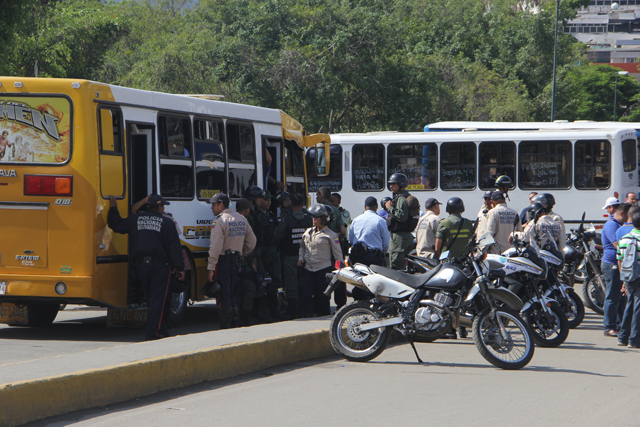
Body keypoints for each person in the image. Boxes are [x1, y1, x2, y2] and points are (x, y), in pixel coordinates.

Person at [107, 194, 184, 340]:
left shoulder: (136, 219)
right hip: (161, 266)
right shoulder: (166, 222)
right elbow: (174, 247)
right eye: (163, 206)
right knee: (158, 299)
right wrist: (179, 268)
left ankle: (161, 329)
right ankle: (153, 333)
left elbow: (117, 225)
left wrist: (113, 208)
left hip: (142, 266)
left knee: (151, 298)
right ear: (160, 207)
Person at [208, 193, 256, 329]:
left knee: (224, 294)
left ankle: (226, 325)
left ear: (221, 205)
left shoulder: (220, 221)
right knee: (233, 292)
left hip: (223, 261)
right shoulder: (241, 219)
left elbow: (215, 246)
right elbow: (252, 241)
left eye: (213, 204)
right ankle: (234, 322)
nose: (211, 208)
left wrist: (211, 267)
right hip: (236, 261)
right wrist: (241, 252)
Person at [434, 197, 474, 339]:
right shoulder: (469, 224)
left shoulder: (444, 223)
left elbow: (437, 248)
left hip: (449, 265)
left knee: (448, 297)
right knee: (462, 297)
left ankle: (450, 330)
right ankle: (462, 328)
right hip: (465, 265)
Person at [298, 204, 343, 317]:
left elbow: (338, 255)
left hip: (323, 269)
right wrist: (300, 257)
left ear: (324, 219)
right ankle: (307, 316)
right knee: (306, 294)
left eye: (317, 217)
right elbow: (302, 247)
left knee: (322, 297)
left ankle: (323, 316)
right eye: (313, 217)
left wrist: (339, 270)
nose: (314, 220)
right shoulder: (308, 232)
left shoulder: (331, 235)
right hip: (308, 269)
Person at [274, 193, 312, 318]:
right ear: (303, 205)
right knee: (305, 283)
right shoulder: (310, 219)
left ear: (291, 204)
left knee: (291, 285)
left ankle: (292, 311)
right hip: (307, 257)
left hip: (290, 257)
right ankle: (305, 309)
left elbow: (277, 236)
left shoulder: (287, 220)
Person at [251, 189, 287, 320]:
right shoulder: (254, 215)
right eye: (266, 200)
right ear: (258, 200)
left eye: (270, 200)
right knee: (262, 283)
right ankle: (258, 312)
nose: (268, 202)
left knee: (274, 283)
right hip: (261, 253)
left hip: (273, 252)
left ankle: (274, 311)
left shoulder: (271, 214)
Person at [348, 196, 391, 300]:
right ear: (376, 207)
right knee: (373, 283)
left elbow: (351, 240)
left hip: (357, 256)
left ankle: (359, 302)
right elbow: (386, 242)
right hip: (374, 257)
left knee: (359, 281)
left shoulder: (356, 220)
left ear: (365, 207)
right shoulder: (380, 221)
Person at [601, 199, 629, 337]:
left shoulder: (619, 224)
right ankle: (609, 327)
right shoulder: (612, 225)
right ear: (622, 213)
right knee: (612, 297)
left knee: (621, 297)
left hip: (619, 264)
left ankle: (619, 325)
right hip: (612, 264)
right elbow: (617, 245)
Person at [616, 211, 640, 348]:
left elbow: (619, 260)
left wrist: (623, 280)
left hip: (628, 276)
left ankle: (623, 337)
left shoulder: (623, 239)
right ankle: (634, 339)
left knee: (629, 305)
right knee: (637, 308)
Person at [235, 198, 260, 326]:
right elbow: (249, 243)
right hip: (244, 261)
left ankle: (238, 317)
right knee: (249, 289)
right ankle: (245, 317)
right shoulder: (245, 221)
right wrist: (252, 262)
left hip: (235, 261)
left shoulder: (232, 220)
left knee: (239, 290)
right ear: (246, 210)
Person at [385, 173, 416, 270]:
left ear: (401, 185)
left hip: (399, 238)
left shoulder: (401, 199)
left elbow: (402, 216)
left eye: (394, 184)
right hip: (404, 236)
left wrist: (389, 208)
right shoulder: (404, 197)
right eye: (390, 184)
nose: (391, 186)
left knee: (396, 265)